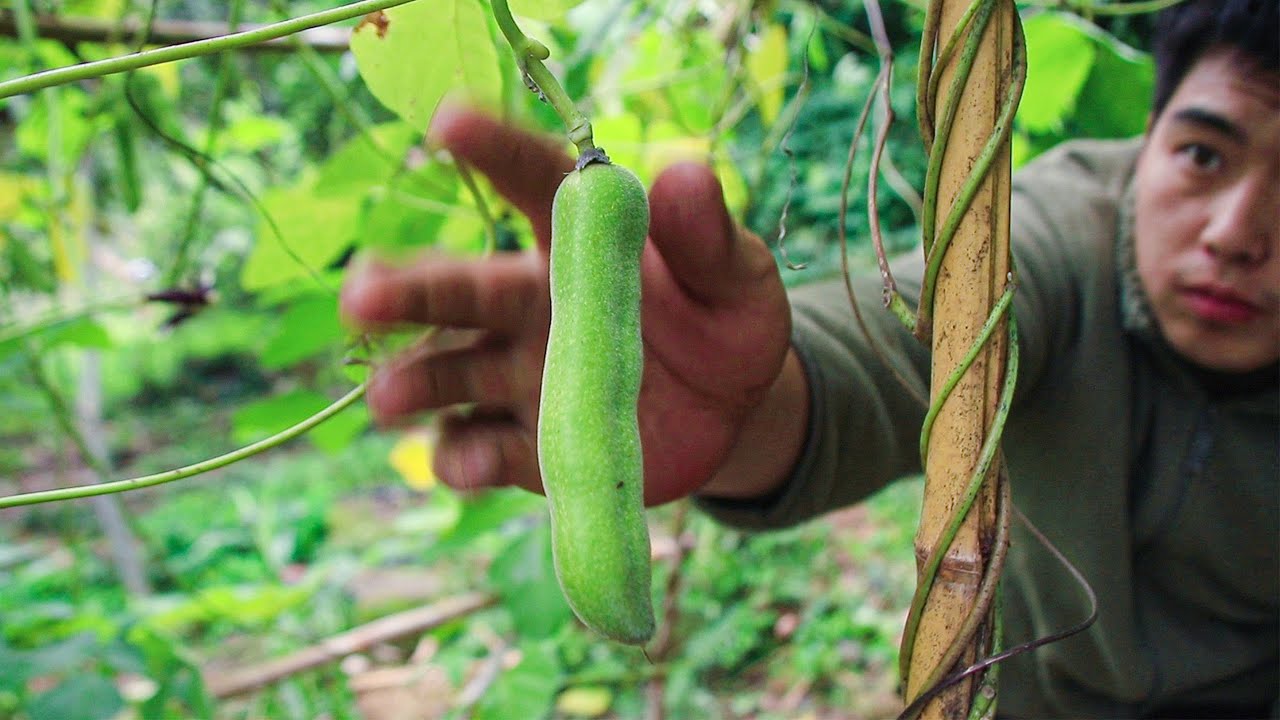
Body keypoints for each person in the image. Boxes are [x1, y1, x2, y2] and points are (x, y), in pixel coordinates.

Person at [339, 1, 1278, 717]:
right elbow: (888, 358)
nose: (1238, 233)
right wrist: (759, 409)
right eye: (1203, 154)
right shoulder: (1058, 230)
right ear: (1147, 136)